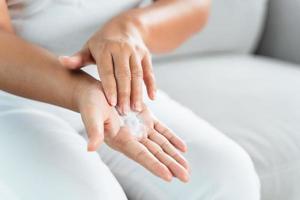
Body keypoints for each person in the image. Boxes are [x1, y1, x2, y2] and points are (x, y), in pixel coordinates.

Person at [0, 0, 260, 199]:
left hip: (116, 87)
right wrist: (79, 90)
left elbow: (194, 5)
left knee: (228, 176)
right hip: (14, 94)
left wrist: (131, 28)